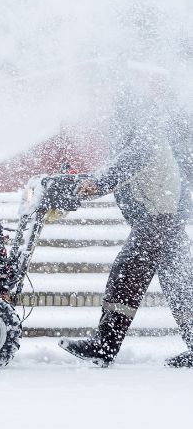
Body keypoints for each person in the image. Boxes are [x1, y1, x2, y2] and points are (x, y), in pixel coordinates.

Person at [59, 91, 193, 367]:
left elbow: (123, 167)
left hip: (157, 222)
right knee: (179, 284)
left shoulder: (145, 139)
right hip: (167, 220)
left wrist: (93, 185)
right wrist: (91, 182)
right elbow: (121, 167)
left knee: (126, 277)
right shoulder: (151, 135)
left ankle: (104, 346)